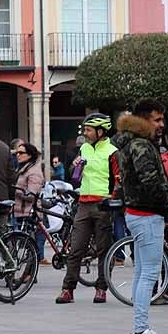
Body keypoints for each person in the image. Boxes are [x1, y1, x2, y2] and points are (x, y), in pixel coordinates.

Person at [113, 100, 168, 334]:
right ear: (143, 119)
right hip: (148, 214)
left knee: (142, 273)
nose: (161, 124)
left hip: (138, 213)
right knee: (148, 273)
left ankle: (140, 328)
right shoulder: (141, 145)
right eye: (157, 119)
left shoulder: (132, 142)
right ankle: (140, 331)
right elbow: (150, 181)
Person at [57, 113, 117, 305]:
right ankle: (68, 290)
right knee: (76, 248)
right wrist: (73, 167)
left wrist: (114, 200)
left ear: (101, 131)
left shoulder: (112, 152)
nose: (85, 133)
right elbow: (73, 176)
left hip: (103, 205)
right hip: (83, 202)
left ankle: (101, 289)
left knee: (103, 250)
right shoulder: (83, 148)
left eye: (89, 130)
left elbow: (119, 179)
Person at [12, 141, 47, 263]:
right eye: (17, 153)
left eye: (21, 153)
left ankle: (29, 274)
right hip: (19, 212)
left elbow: (31, 195)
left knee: (29, 246)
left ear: (29, 155)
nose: (18, 155)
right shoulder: (22, 169)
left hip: (28, 213)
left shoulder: (34, 171)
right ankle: (27, 275)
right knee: (24, 245)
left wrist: (15, 190)